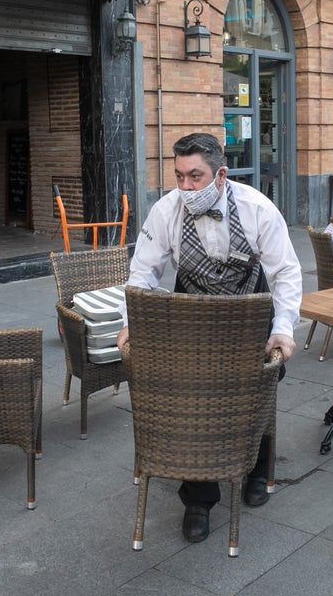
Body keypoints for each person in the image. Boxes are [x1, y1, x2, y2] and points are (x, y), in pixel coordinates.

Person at [115, 132, 302, 545]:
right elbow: (142, 273)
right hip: (192, 316)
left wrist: (283, 328)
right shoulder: (165, 211)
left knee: (259, 391)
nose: (185, 187)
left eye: (195, 177)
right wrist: (133, 319)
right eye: (180, 176)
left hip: (249, 311)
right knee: (190, 399)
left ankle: (256, 469)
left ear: (221, 175)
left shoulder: (258, 209)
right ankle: (198, 497)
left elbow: (286, 272)